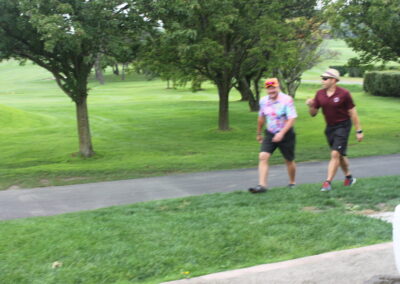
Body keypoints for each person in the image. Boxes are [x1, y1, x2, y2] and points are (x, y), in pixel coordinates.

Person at [306, 68, 364, 192]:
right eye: (322, 78)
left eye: (325, 78)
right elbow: (313, 113)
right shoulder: (319, 94)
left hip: (343, 126)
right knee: (340, 155)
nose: (322, 80)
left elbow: (353, 112)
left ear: (333, 80)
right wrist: (311, 105)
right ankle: (349, 177)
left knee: (335, 154)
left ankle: (327, 182)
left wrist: (358, 130)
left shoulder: (344, 94)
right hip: (330, 128)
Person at [249, 78, 298, 193]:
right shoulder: (263, 101)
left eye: (273, 88)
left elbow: (292, 119)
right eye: (269, 89)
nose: (271, 91)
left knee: (289, 160)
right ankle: (262, 186)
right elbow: (261, 118)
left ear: (278, 87)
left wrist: (282, 133)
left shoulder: (287, 100)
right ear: (266, 90)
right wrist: (259, 133)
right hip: (270, 133)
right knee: (263, 156)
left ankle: (292, 182)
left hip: (286, 134)